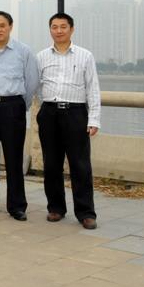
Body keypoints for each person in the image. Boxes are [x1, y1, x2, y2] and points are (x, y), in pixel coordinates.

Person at [0, 11, 39, 221]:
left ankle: (17, 206)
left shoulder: (23, 51)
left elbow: (31, 82)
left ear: (10, 27)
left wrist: (19, 105)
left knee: (13, 158)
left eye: (2, 25)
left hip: (13, 107)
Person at [37, 13, 100, 230]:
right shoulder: (41, 56)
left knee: (80, 165)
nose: (59, 31)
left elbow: (93, 88)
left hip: (75, 113)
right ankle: (56, 208)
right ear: (50, 30)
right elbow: (36, 86)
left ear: (71, 29)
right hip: (49, 113)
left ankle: (86, 213)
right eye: (54, 27)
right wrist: (44, 109)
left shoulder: (85, 56)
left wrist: (94, 119)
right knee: (51, 163)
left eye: (63, 26)